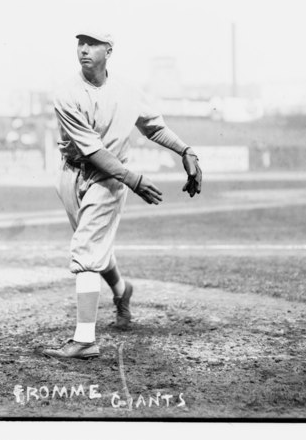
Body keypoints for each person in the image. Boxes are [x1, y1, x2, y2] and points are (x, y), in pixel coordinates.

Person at [43, 31, 202, 360]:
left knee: (87, 247)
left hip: (110, 178)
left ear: (109, 51)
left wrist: (185, 150)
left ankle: (85, 340)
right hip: (71, 173)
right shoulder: (66, 94)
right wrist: (135, 180)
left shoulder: (127, 91)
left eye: (93, 44)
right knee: (93, 243)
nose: (84, 49)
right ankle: (121, 289)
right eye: (80, 43)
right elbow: (91, 150)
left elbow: (153, 126)